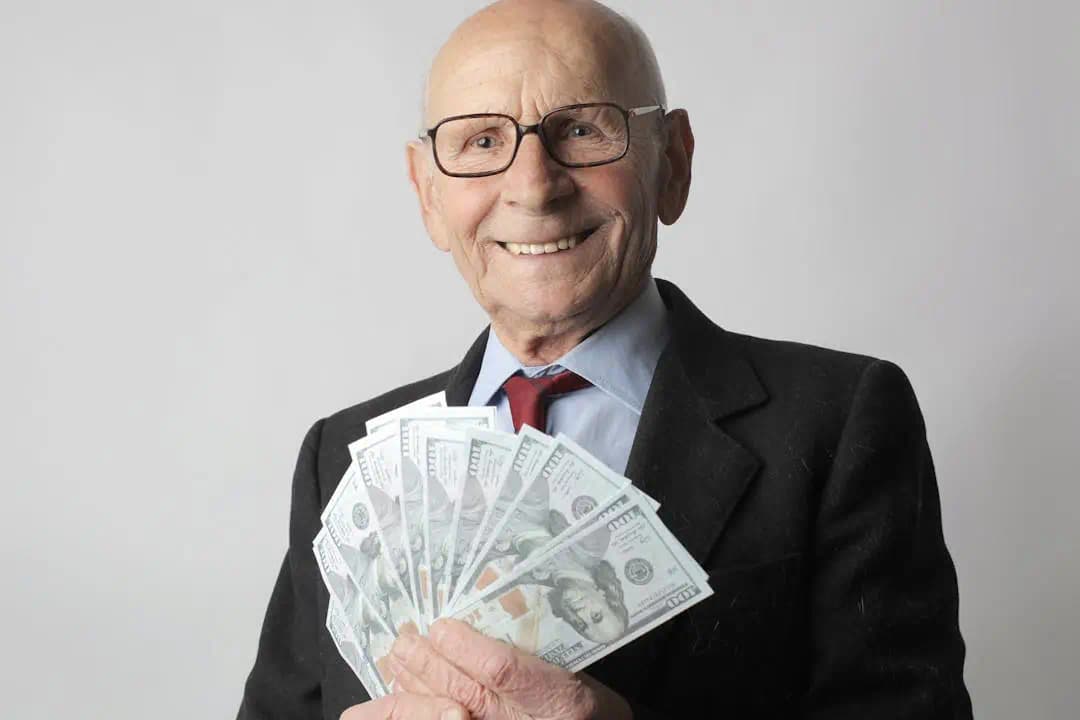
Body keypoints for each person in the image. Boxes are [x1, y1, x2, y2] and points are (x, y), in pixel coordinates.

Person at [236, 0, 973, 718]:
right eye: (482, 142)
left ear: (672, 163)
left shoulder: (837, 421)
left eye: (583, 129)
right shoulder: (340, 459)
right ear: (428, 194)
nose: (534, 188)